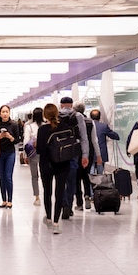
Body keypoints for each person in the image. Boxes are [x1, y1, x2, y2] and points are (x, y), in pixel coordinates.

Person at [37, 103, 71, 234]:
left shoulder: (42, 130)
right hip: (63, 163)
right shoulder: (64, 127)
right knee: (60, 192)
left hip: (46, 164)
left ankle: (49, 219)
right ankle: (57, 222)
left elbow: (39, 150)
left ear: (45, 115)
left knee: (47, 191)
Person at [58, 97, 93, 219]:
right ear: (71, 105)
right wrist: (85, 155)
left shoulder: (56, 116)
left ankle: (64, 204)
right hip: (73, 151)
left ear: (61, 105)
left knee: (60, 180)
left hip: (59, 153)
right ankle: (69, 203)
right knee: (72, 179)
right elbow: (84, 137)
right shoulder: (78, 116)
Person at [73, 102, 102, 210]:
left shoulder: (74, 121)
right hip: (89, 153)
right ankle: (87, 196)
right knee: (86, 175)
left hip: (76, 152)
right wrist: (98, 155)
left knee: (76, 177)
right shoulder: (90, 122)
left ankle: (79, 203)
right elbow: (95, 140)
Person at [0, 105, 20, 208]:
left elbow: (17, 140)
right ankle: (3, 199)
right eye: (3, 112)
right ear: (0, 113)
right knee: (1, 177)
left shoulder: (14, 125)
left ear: (9, 113)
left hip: (10, 153)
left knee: (8, 177)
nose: (5, 113)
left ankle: (10, 200)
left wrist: (10, 137)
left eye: (7, 111)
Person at [23, 107, 43, 206]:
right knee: (45, 176)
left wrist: (25, 155)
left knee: (34, 176)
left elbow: (26, 142)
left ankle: (37, 197)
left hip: (33, 154)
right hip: (44, 154)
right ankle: (47, 193)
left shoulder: (29, 127)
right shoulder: (46, 125)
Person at [90, 109, 120, 174]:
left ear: (90, 117)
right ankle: (99, 183)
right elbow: (114, 135)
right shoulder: (103, 126)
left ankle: (91, 184)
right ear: (99, 117)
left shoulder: (87, 126)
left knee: (90, 173)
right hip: (100, 154)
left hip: (90, 154)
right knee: (100, 174)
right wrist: (117, 136)